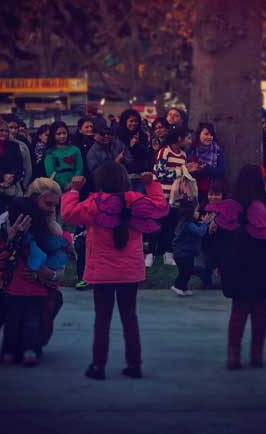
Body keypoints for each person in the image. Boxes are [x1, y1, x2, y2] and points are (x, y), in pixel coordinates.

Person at [61, 162, 168, 380]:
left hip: (102, 272)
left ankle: (98, 366)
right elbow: (160, 206)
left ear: (100, 182)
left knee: (102, 320)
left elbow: (69, 214)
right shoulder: (137, 201)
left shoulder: (94, 203)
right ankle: (134, 364)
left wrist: (73, 190)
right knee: (129, 317)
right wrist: (152, 184)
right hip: (129, 271)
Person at [0, 197, 68, 366]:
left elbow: (58, 262)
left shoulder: (44, 235)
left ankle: (29, 348)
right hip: (6, 291)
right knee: (14, 320)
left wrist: (45, 275)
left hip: (34, 290)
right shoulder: (3, 232)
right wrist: (8, 242)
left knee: (30, 320)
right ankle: (9, 350)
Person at [219, 165, 266, 369]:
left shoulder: (232, 206)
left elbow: (222, 239)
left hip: (237, 266)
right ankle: (256, 353)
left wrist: (219, 263)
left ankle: (233, 354)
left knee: (239, 310)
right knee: (260, 310)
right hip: (264, 265)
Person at [149, 127, 192, 267]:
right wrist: (181, 171)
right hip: (160, 194)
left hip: (175, 196)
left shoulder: (183, 155)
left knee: (171, 225)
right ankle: (150, 253)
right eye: (187, 137)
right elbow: (160, 175)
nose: (189, 140)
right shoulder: (164, 151)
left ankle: (167, 253)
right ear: (179, 138)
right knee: (155, 225)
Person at [170, 199, 213, 296]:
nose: (198, 213)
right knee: (185, 272)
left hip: (179, 253)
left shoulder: (182, 223)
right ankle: (178, 286)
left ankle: (184, 288)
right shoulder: (189, 225)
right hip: (185, 254)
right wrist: (205, 223)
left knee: (186, 270)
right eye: (196, 211)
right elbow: (199, 233)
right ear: (190, 213)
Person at [186, 123, 225, 207]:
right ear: (199, 134)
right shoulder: (192, 151)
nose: (209, 137)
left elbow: (220, 171)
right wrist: (197, 170)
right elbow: (188, 173)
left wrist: (205, 168)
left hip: (212, 193)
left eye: (211, 135)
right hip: (194, 192)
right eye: (206, 134)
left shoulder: (217, 151)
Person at [44, 121, 83, 191]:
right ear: (53, 135)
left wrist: (73, 184)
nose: (62, 136)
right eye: (58, 134)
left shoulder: (75, 150)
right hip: (57, 186)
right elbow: (50, 172)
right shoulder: (50, 152)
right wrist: (65, 184)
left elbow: (79, 168)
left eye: (64, 133)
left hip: (76, 186)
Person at [117, 109, 153, 185]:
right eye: (131, 121)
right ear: (125, 121)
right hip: (123, 175)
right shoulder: (118, 136)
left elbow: (145, 155)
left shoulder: (142, 135)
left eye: (136, 121)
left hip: (139, 175)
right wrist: (130, 146)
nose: (134, 123)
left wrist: (137, 145)